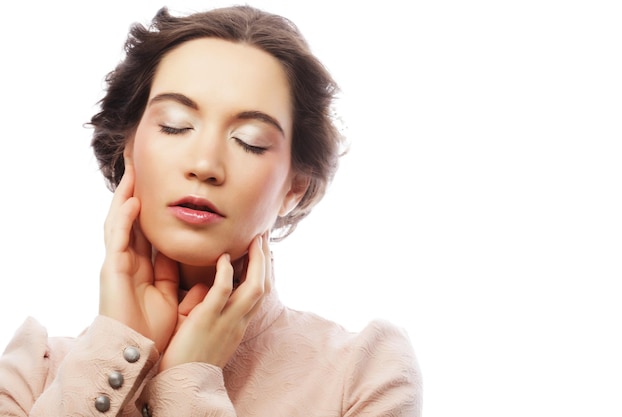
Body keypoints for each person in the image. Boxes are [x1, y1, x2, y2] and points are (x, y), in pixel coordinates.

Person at [0, 5, 421, 416]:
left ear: (295, 186)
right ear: (127, 148)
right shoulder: (32, 374)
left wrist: (188, 382)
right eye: (175, 125)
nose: (204, 164)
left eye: (251, 141)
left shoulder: (362, 375)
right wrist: (117, 351)